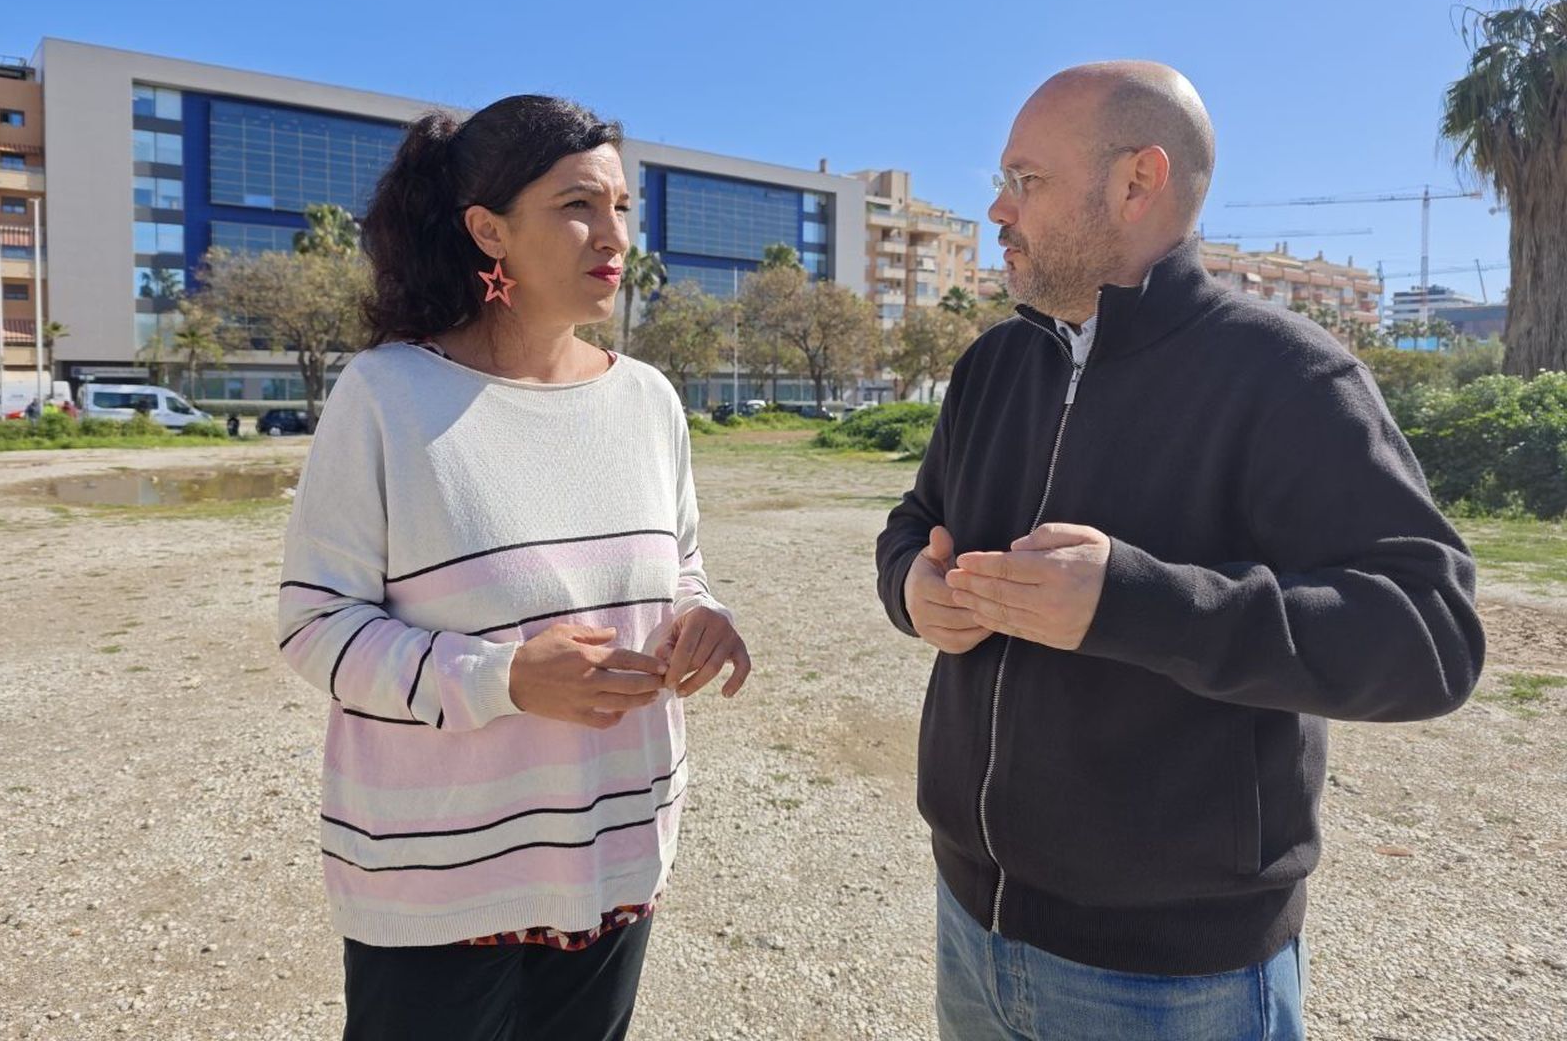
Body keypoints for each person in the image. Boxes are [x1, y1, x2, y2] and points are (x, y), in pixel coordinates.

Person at [874, 61, 1485, 1041]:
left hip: (1173, 982)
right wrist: (912, 585)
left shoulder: (1287, 375)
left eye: (1025, 180)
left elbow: (1430, 637)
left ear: (1135, 182)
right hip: (967, 921)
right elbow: (913, 521)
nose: (996, 207)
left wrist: (1131, 602)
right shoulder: (992, 366)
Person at [277, 95, 750, 1041]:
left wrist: (702, 615)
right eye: (578, 204)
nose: (611, 234)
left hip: (616, 846)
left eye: (621, 205)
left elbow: (681, 565)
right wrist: (505, 680)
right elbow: (315, 625)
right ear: (489, 231)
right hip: (438, 872)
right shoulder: (387, 395)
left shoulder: (648, 400)